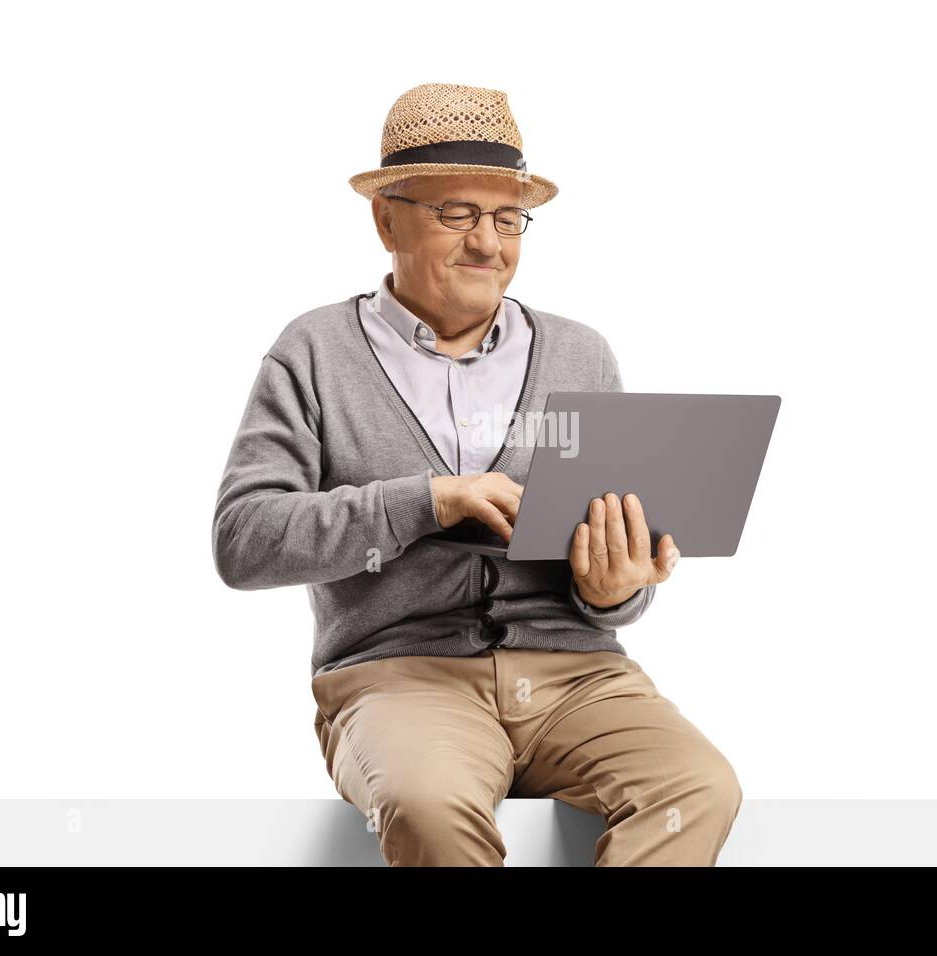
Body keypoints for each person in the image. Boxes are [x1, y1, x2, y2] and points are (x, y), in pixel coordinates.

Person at [212, 83, 741, 865]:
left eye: (505, 219)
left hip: (579, 678)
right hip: (399, 677)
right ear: (385, 218)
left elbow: (617, 595)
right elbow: (245, 540)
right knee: (427, 806)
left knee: (698, 786)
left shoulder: (579, 354)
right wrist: (427, 501)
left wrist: (615, 588)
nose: (487, 244)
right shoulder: (314, 353)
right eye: (456, 214)